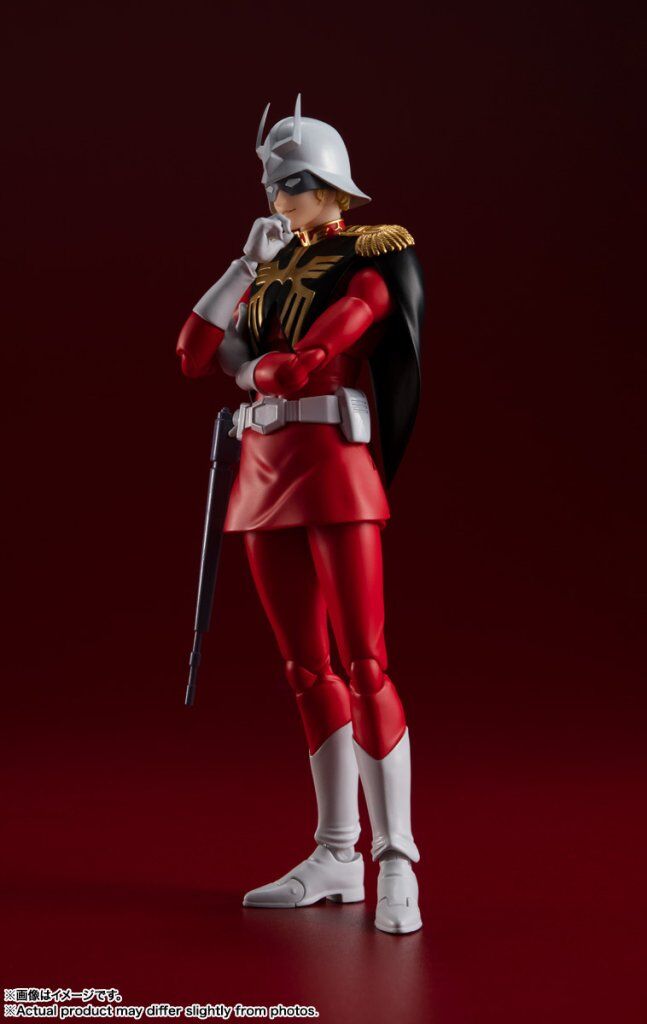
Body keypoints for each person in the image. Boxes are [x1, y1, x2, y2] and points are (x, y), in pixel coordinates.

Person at [177, 96, 424, 933]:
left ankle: (396, 859)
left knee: (364, 663)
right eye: (271, 186)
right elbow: (192, 355)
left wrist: (269, 367)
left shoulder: (370, 250)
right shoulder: (263, 267)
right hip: (263, 471)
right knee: (304, 670)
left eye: (287, 185)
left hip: (332, 467)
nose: (274, 199)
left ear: (326, 186)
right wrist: (241, 267)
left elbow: (322, 344)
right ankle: (335, 852)